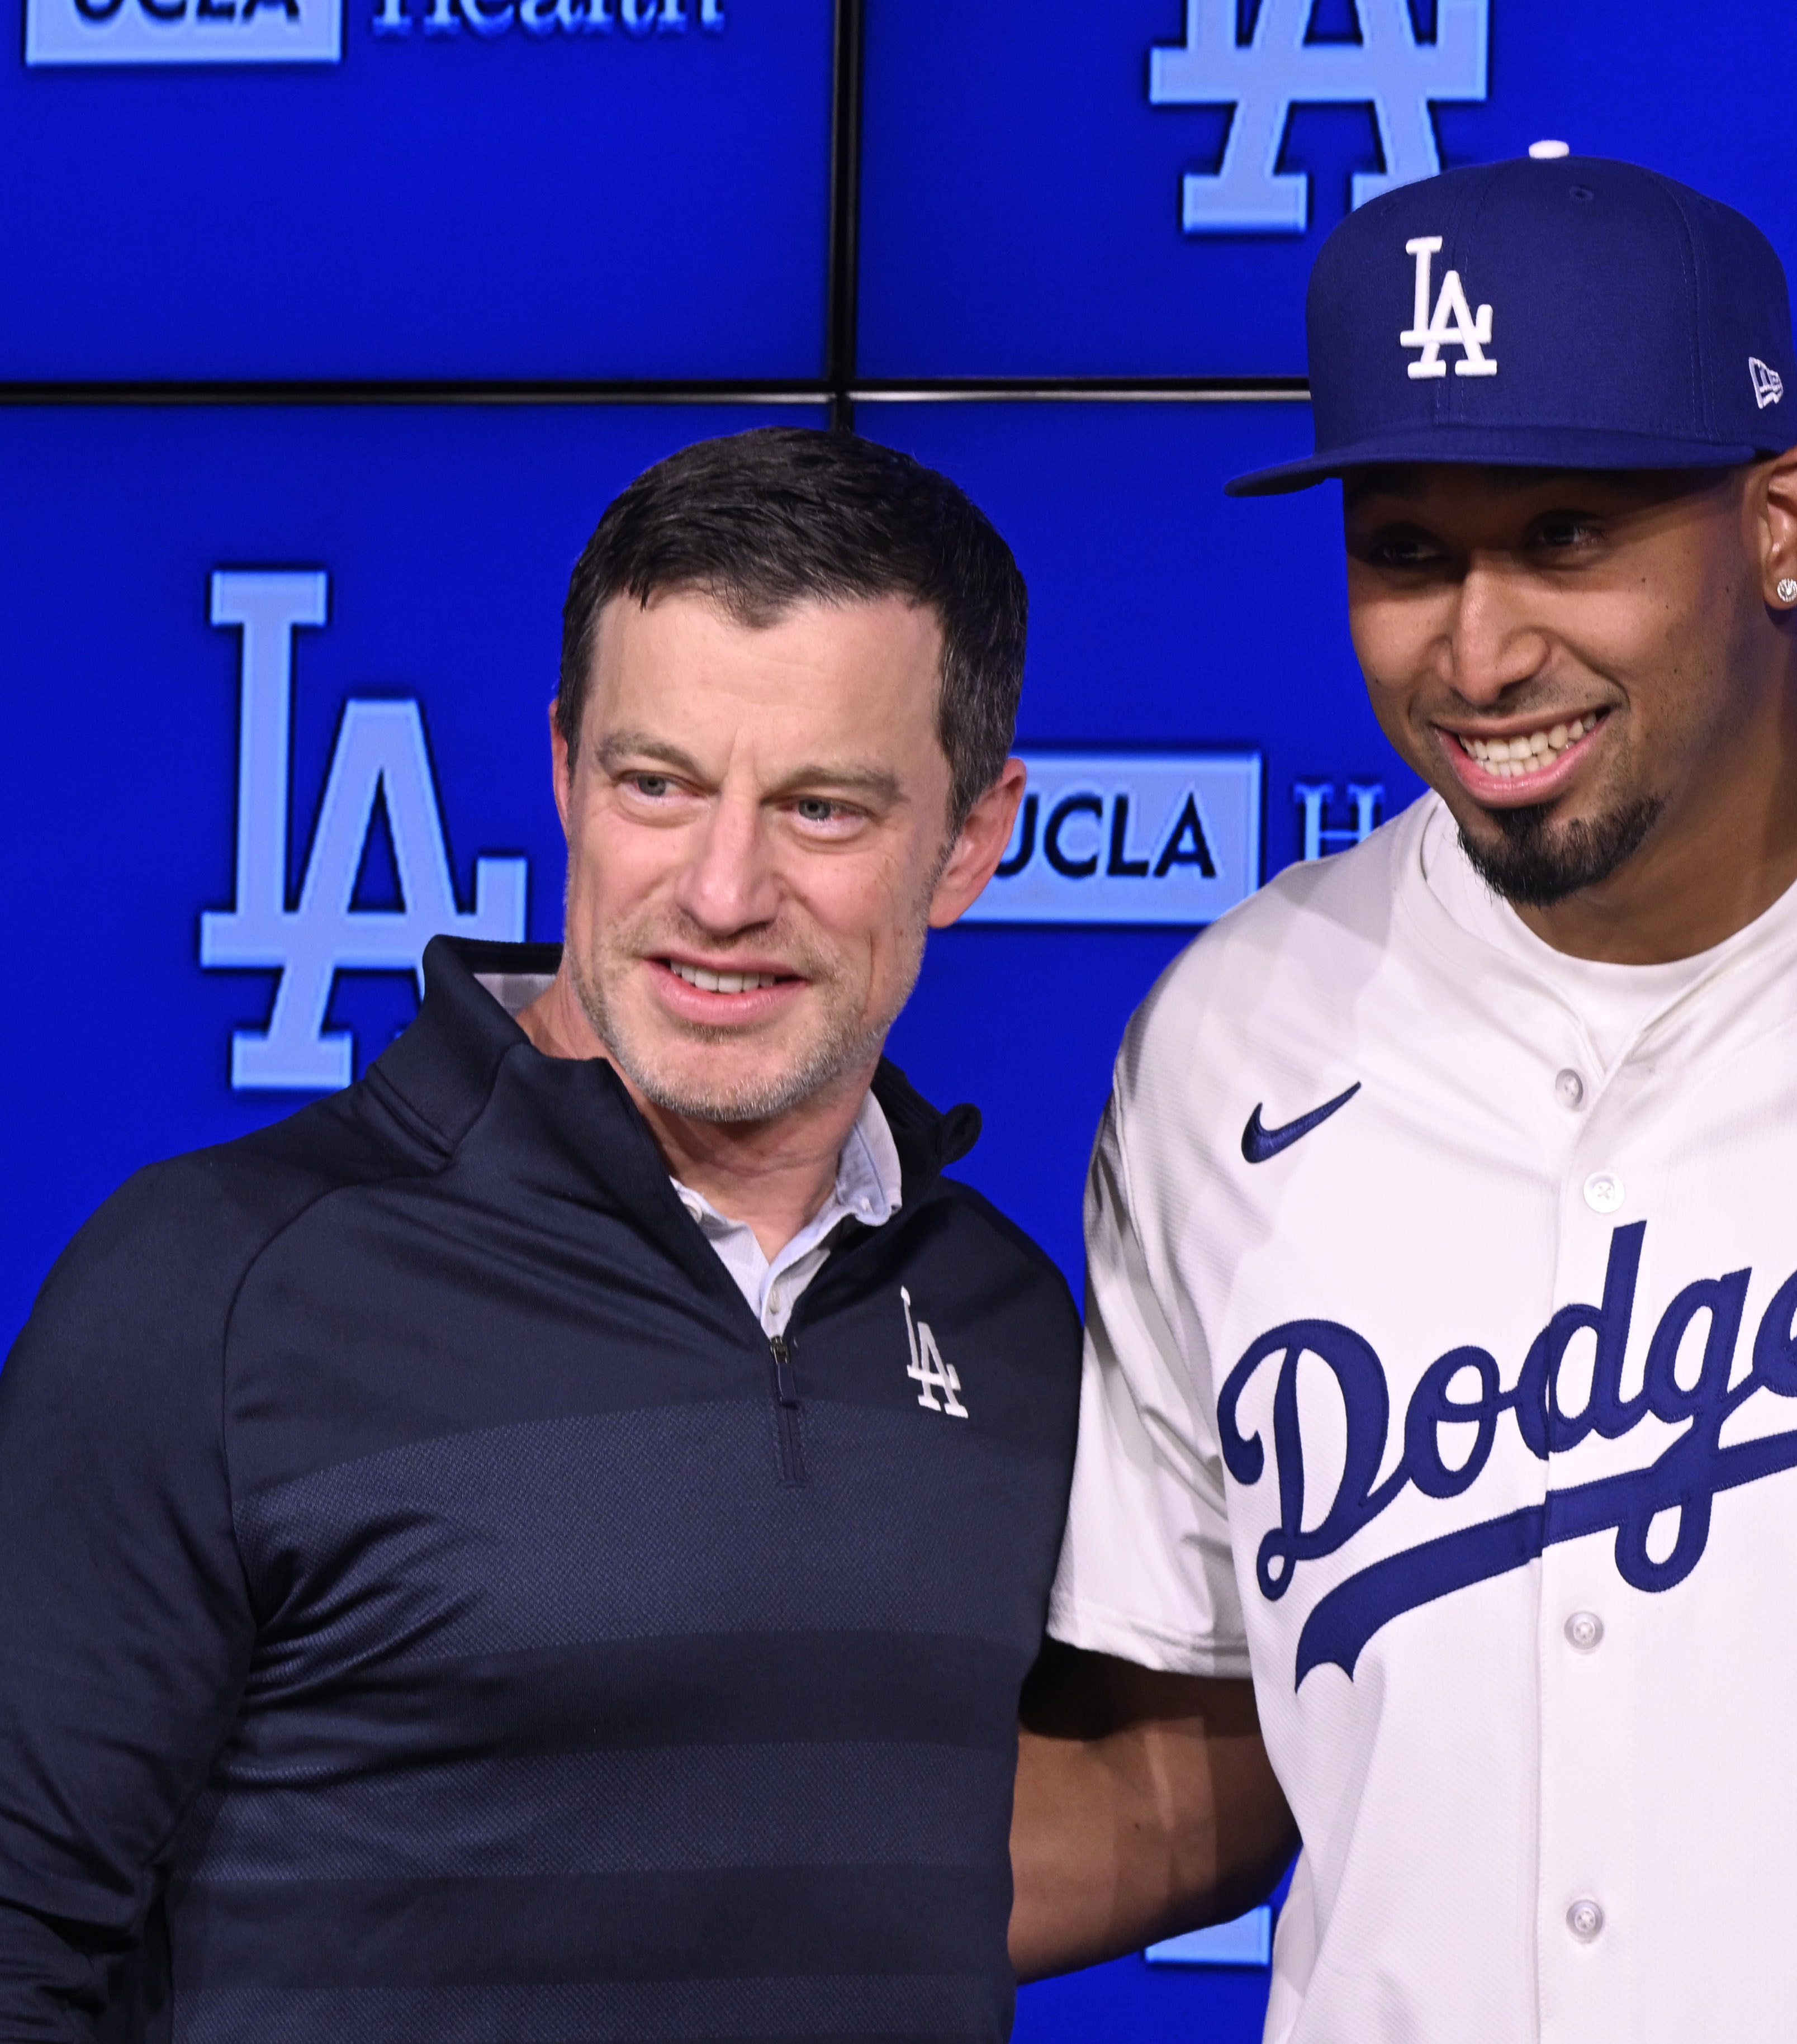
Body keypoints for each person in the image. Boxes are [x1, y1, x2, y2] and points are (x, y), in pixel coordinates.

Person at [1008, 155, 1797, 2042]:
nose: (1479, 649)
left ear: (1783, 525)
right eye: (1407, 551)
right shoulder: (1232, 1030)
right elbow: (1204, 1744)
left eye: (1569, 535)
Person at [0, 427, 1082, 2040]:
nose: (722, 889)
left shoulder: (1005, 1322)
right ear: (567, 765)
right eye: (657, 784)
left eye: (823, 808)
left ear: (975, 838)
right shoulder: (217, 1284)